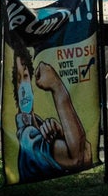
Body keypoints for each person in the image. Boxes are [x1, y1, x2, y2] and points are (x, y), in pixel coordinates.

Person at [11, 42, 93, 182]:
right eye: (18, 81)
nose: (23, 89)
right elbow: (77, 158)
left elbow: (87, 153)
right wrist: (57, 86)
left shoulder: (38, 123)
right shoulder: (27, 136)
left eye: (25, 76)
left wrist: (62, 133)